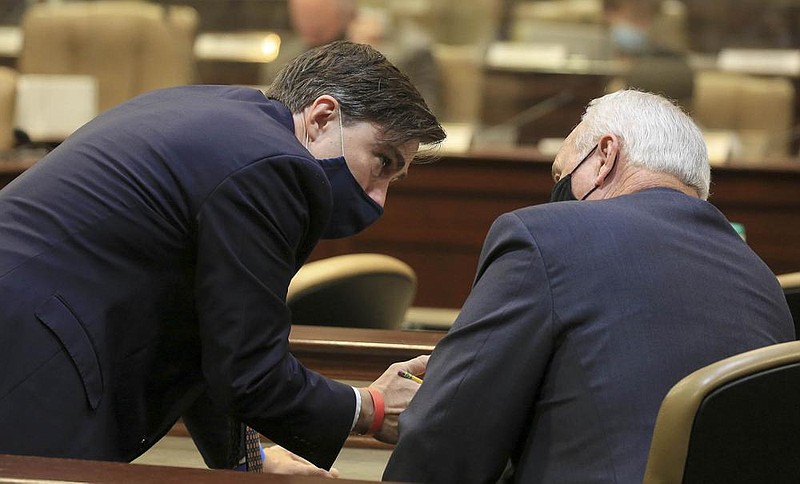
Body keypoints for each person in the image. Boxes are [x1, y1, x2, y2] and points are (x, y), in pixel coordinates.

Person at [0, 41, 445, 475]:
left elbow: (214, 335)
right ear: (324, 116)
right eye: (382, 162)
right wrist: (369, 408)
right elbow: (248, 370)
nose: (379, 199)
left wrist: (248, 462)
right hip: (31, 356)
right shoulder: (276, 167)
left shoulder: (216, 116)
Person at [383, 90, 794, 483]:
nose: (558, 197)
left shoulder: (544, 235)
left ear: (604, 157)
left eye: (562, 178)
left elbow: (448, 437)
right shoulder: (762, 280)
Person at [261, 0, 440, 115]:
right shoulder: (286, 57)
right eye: (301, 15)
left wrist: (368, 57)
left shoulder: (407, 50)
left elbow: (419, 114)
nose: (307, 25)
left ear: (348, 13)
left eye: (316, 15)